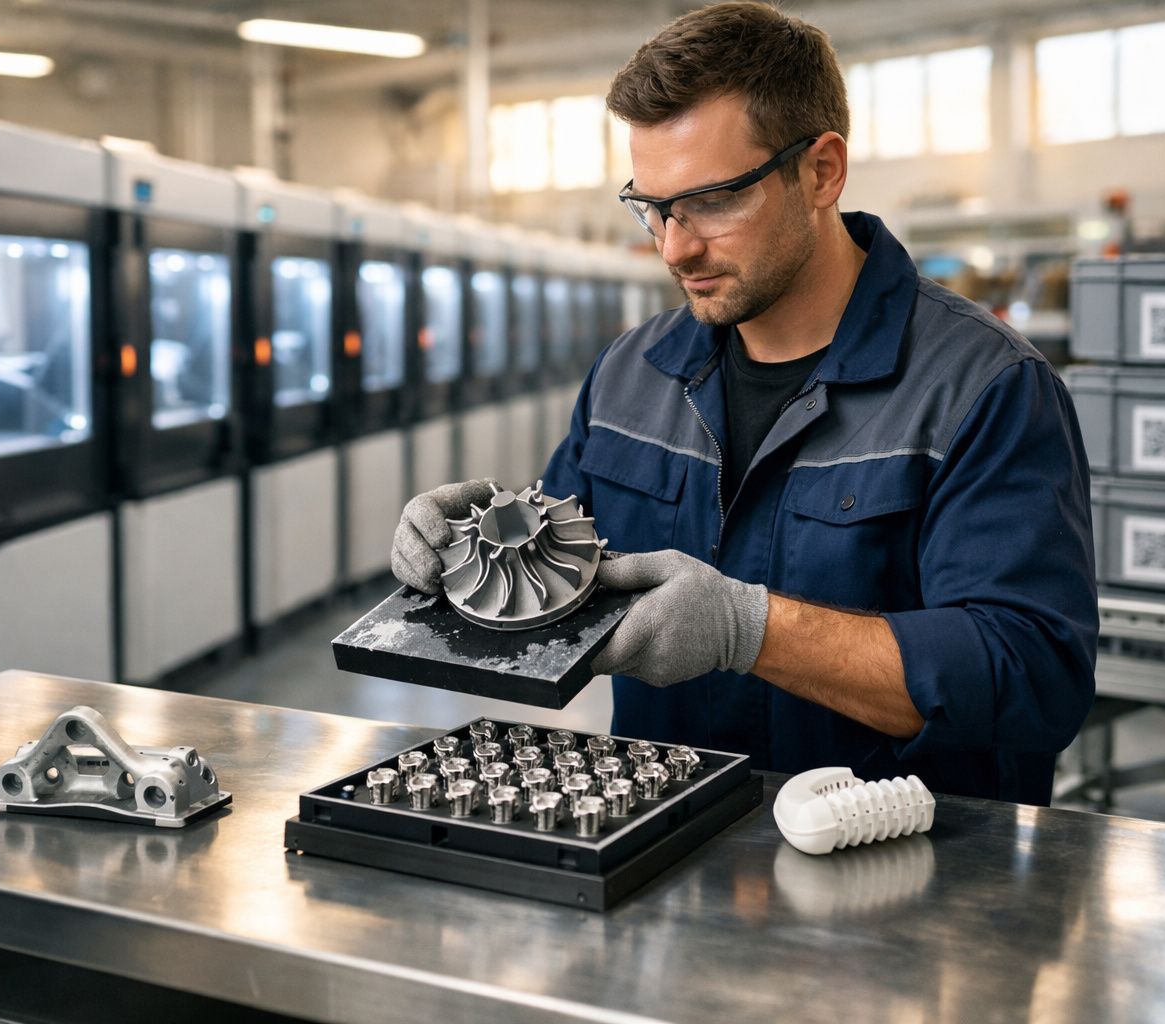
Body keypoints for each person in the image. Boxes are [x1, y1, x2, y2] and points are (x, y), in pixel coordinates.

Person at [392, 1, 1097, 805]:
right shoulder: (631, 375)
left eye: (714, 201)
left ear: (822, 171)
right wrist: (481, 541)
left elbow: (1032, 677)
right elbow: (566, 575)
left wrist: (751, 631)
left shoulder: (983, 387)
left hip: (902, 859)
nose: (675, 247)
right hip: (660, 841)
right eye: (654, 207)